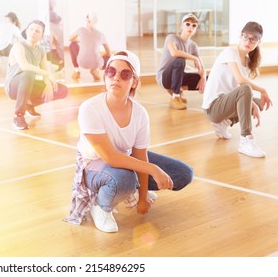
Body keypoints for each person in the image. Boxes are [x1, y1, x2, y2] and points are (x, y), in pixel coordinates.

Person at [63, 50, 193, 232]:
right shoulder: (90, 108)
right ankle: (100, 205)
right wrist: (153, 170)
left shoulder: (140, 113)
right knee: (125, 179)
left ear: (134, 82)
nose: (116, 78)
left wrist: (142, 199)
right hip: (94, 166)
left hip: (124, 158)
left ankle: (132, 189)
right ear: (105, 76)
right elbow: (110, 157)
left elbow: (140, 156)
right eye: (111, 72)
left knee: (182, 174)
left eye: (125, 74)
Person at [202, 21, 272, 158]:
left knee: (259, 104)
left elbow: (238, 91)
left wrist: (253, 105)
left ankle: (225, 123)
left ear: (258, 42)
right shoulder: (230, 52)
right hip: (213, 107)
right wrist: (263, 90)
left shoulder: (246, 62)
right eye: (246, 37)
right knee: (247, 90)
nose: (248, 41)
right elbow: (241, 81)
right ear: (240, 36)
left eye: (254, 39)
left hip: (224, 104)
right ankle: (245, 139)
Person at [4, 20, 69, 130]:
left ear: (42, 35)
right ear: (26, 31)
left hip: (28, 83)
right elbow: (25, 66)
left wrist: (48, 83)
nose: (34, 32)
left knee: (62, 89)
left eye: (38, 31)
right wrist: (47, 74)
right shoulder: (18, 46)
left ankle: (29, 104)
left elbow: (44, 69)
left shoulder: (41, 50)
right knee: (28, 74)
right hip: (13, 86)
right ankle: (18, 116)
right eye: (31, 29)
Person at [156, 13, 206, 110]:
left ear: (195, 29)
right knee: (180, 60)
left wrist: (203, 77)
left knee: (207, 79)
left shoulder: (193, 45)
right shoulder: (171, 38)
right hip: (164, 77)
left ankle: (179, 89)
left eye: (194, 25)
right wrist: (194, 58)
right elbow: (174, 53)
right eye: (187, 24)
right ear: (181, 26)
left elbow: (201, 67)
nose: (190, 27)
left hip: (177, 76)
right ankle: (175, 97)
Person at [69, 13, 111, 82]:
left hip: (82, 62)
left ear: (88, 21)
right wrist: (99, 56)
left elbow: (70, 38)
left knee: (72, 44)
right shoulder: (101, 34)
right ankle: (95, 69)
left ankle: (76, 70)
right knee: (109, 58)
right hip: (96, 63)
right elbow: (108, 53)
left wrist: (80, 40)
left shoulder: (81, 29)